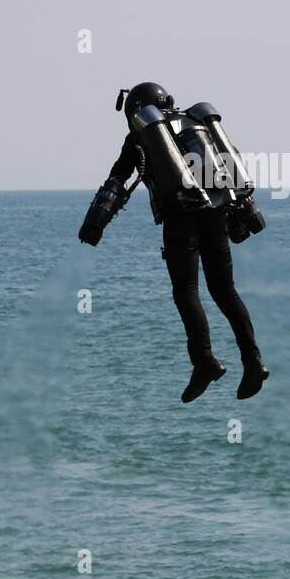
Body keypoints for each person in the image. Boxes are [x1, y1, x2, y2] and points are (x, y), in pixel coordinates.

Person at [78, 82, 269, 403]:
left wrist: (94, 225)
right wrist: (248, 214)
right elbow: (228, 161)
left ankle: (204, 361)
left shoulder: (142, 135)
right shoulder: (198, 124)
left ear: (136, 110)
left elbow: (117, 180)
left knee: (186, 292)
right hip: (217, 213)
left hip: (181, 218)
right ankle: (253, 362)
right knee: (225, 291)